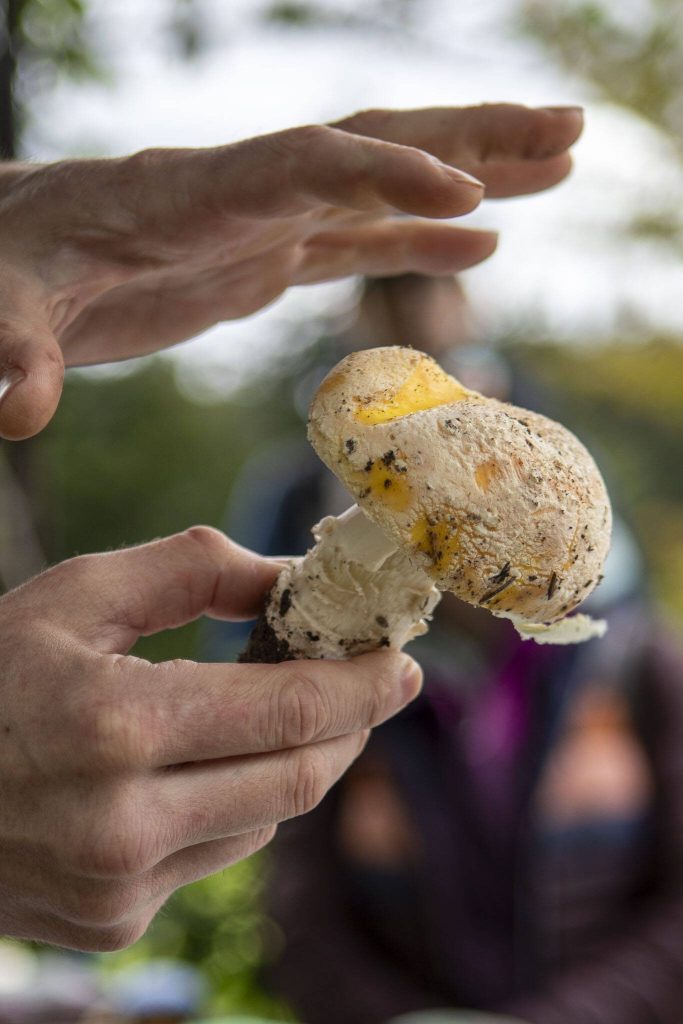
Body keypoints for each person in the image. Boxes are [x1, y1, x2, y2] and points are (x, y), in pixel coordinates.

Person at [0, 103, 584, 952]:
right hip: (349, 849)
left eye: (430, 291)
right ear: (363, 314)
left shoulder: (546, 477)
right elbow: (221, 670)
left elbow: (611, 645)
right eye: (394, 295)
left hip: (540, 829)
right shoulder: (293, 483)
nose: (417, 316)